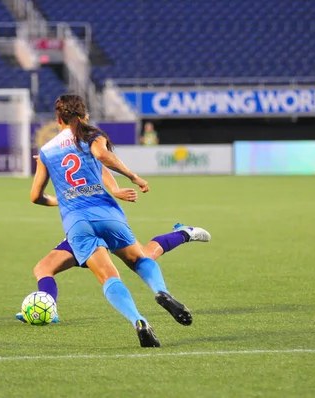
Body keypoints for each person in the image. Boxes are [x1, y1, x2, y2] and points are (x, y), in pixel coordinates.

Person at [30, 94, 190, 347]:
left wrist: (61, 200)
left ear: (58, 118)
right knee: (140, 259)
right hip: (106, 213)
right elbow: (102, 156)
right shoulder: (91, 135)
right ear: (84, 115)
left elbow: (35, 196)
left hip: (76, 222)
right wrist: (133, 176)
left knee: (108, 276)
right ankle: (162, 292)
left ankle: (138, 320)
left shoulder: (47, 151)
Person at [17, 165, 211, 324]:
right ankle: (47, 308)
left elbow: (101, 165)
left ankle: (184, 234)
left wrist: (116, 188)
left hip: (88, 222)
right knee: (143, 257)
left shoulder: (73, 147)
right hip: (91, 223)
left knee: (132, 263)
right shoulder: (65, 149)